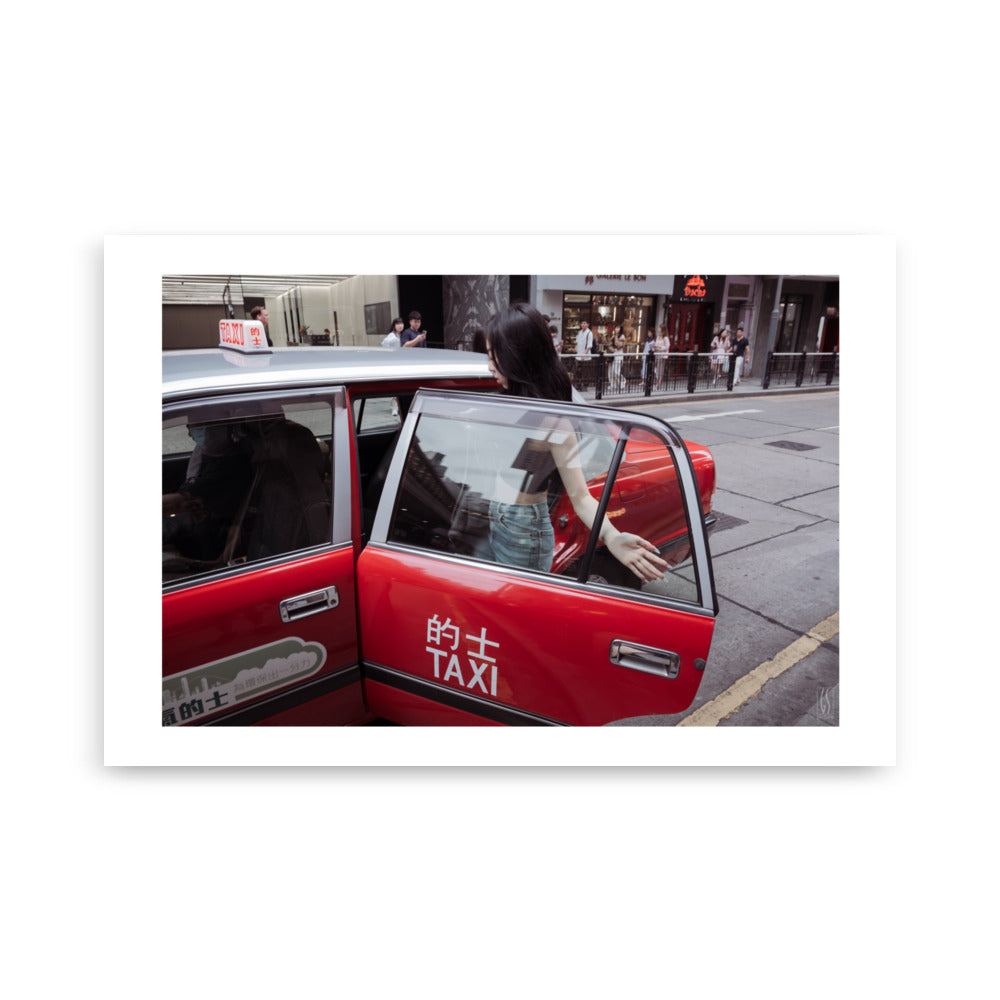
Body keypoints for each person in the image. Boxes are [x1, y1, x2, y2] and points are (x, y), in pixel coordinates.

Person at [481, 302, 668, 582]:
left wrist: (611, 536)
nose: (488, 366)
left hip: (523, 533)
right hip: (494, 519)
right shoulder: (508, 400)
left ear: (515, 356)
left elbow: (580, 496)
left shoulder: (555, 420)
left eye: (493, 357)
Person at [609, 322, 626, 394]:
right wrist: (611, 349)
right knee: (611, 371)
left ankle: (622, 381)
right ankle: (614, 385)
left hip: (619, 354)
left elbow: (618, 345)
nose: (616, 329)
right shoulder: (613, 336)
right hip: (613, 354)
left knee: (616, 371)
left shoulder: (622, 337)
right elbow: (609, 344)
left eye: (618, 328)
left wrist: (616, 337)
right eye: (616, 328)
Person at [653, 324, 670, 390]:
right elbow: (656, 345)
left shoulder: (666, 338)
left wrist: (659, 346)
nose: (658, 329)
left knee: (660, 370)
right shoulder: (658, 337)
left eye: (659, 328)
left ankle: (658, 384)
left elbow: (667, 347)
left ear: (662, 329)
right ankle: (655, 382)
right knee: (654, 369)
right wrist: (655, 346)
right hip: (656, 354)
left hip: (662, 356)